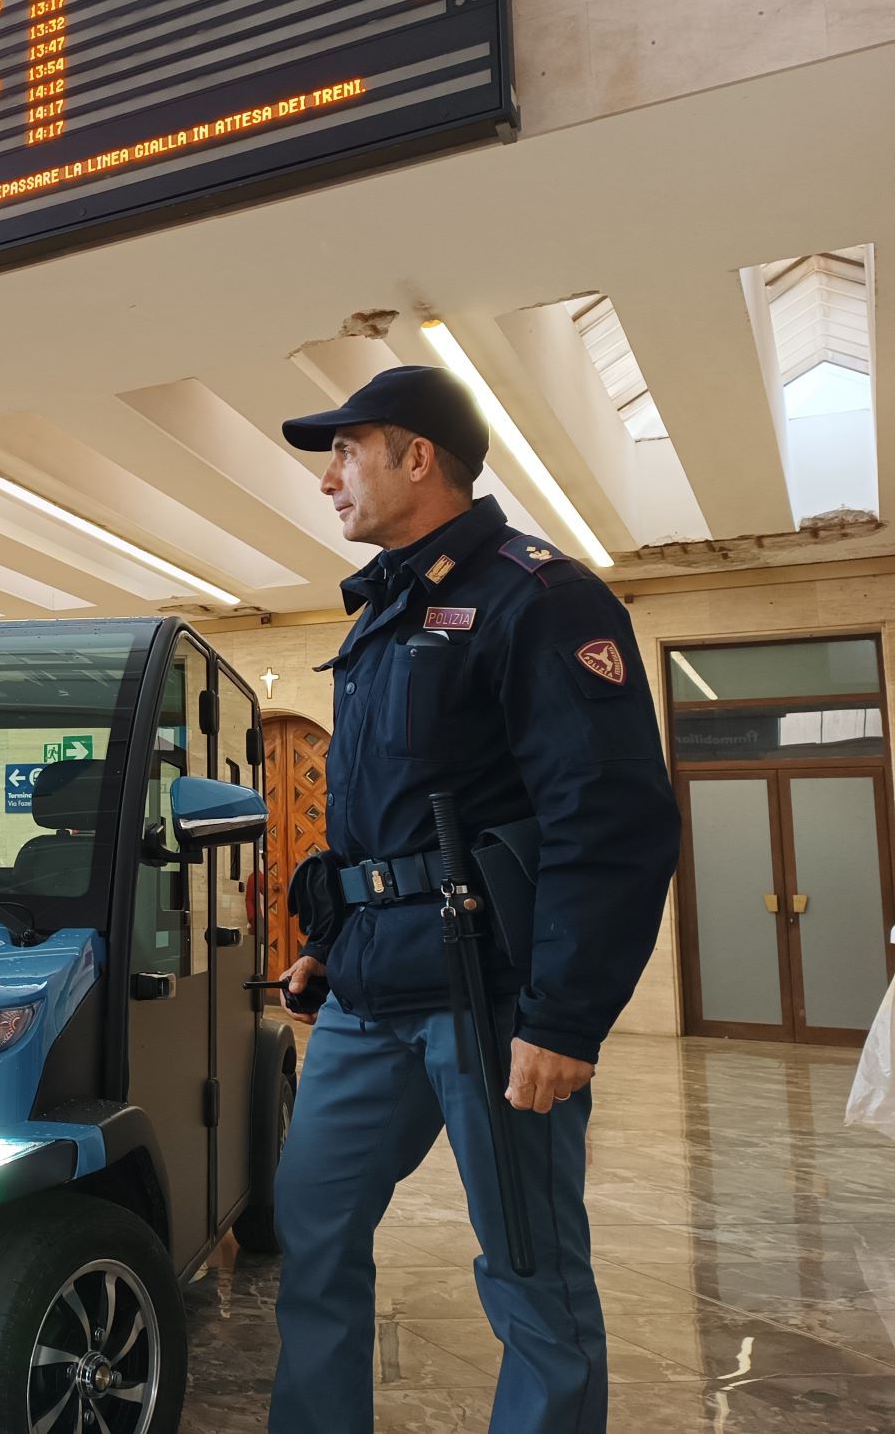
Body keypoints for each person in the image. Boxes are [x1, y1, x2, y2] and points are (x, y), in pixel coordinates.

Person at [265, 366, 681, 1433]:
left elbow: (610, 818)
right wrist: (329, 939)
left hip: (487, 1000)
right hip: (368, 992)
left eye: (344, 451)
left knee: (528, 1271)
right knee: (309, 1230)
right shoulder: (382, 611)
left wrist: (564, 1017)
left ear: (415, 456)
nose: (327, 482)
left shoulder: (537, 595)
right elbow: (377, 816)